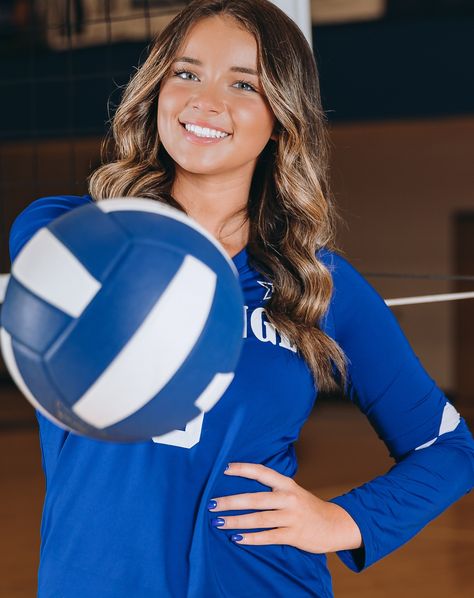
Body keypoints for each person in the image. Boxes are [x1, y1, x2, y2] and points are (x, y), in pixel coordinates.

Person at [9, 1, 474, 596]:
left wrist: (346, 520)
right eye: (186, 72)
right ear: (156, 90)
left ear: (282, 117)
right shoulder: (70, 235)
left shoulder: (317, 284)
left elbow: (449, 450)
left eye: (244, 84)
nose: (206, 100)